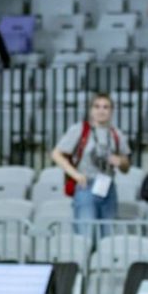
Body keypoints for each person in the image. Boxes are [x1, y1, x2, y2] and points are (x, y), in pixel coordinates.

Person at [50, 93, 132, 238]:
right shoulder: (80, 129)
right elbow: (56, 154)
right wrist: (75, 175)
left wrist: (121, 161)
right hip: (85, 185)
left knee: (108, 237)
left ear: (111, 111)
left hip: (108, 186)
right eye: (97, 106)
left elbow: (126, 166)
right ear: (91, 110)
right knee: (86, 234)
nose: (101, 110)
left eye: (106, 107)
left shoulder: (116, 133)